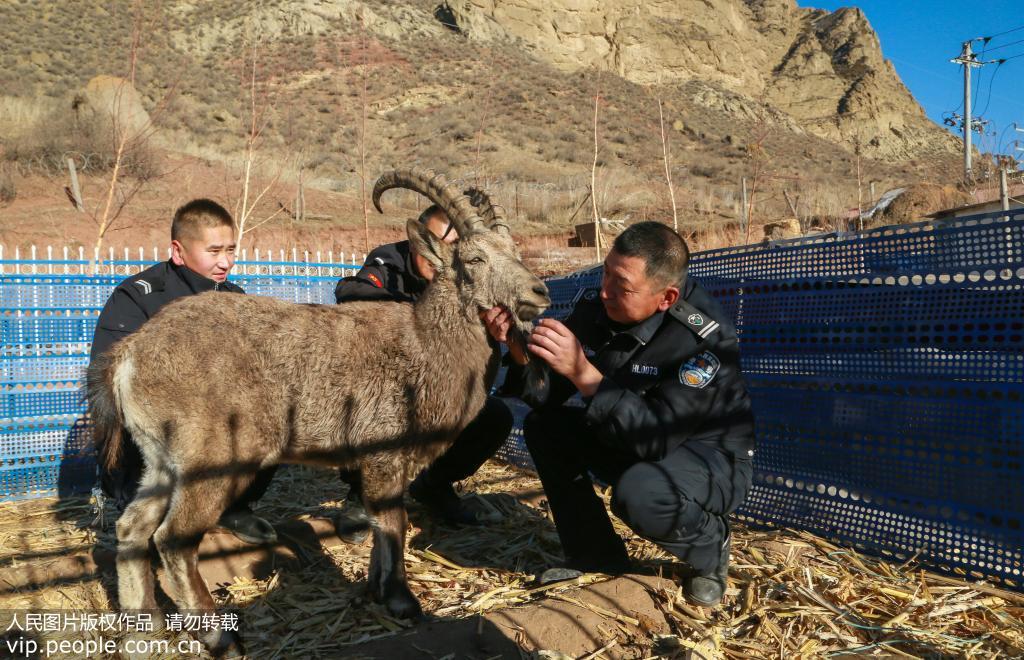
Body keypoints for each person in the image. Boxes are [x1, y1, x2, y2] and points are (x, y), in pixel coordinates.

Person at [502, 221, 755, 607]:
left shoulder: (704, 339)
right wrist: (520, 353)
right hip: (631, 434)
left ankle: (709, 549)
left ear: (666, 297)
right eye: (605, 272)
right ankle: (594, 553)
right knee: (546, 427)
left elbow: (657, 437)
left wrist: (584, 373)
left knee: (640, 491)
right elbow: (545, 399)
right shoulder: (598, 308)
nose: (605, 291)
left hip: (709, 458)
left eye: (621, 287)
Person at [90, 199, 278, 545]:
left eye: (232, 250)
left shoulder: (236, 298)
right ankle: (148, 512)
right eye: (214, 251)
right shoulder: (138, 297)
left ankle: (233, 507)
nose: (226, 262)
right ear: (179, 251)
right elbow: (108, 378)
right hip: (156, 435)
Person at [333, 203, 514, 531]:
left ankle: (434, 485)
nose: (439, 255)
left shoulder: (472, 280)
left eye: (454, 247)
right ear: (417, 239)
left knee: (495, 417)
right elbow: (349, 291)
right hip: (387, 389)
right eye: (431, 244)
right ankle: (361, 495)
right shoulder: (389, 259)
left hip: (439, 396)